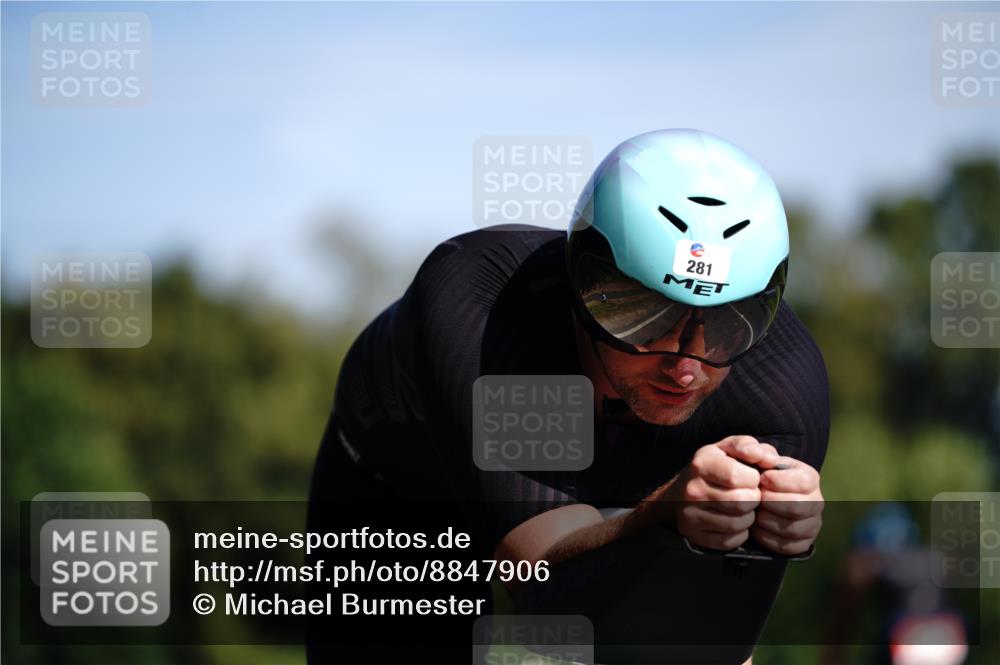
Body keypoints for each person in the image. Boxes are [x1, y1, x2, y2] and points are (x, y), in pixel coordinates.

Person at [306, 129, 830, 664]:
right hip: (409, 492)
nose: (686, 366)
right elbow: (547, 592)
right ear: (582, 286)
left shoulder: (780, 382)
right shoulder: (494, 317)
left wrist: (752, 536)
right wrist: (666, 516)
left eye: (725, 323)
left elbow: (708, 643)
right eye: (648, 316)